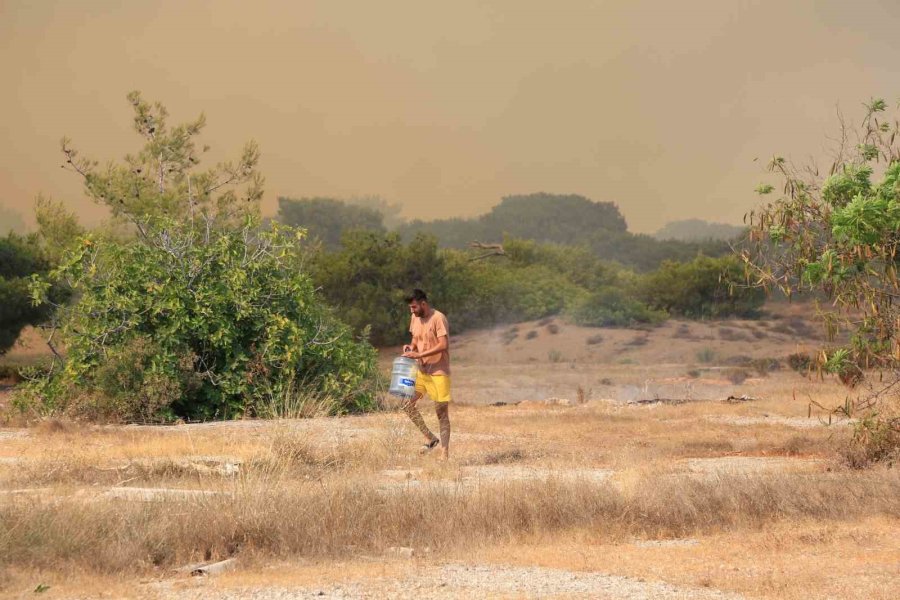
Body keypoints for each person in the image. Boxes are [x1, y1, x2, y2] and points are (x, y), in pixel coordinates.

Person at [401, 289, 451, 459]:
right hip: (422, 371)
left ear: (424, 303)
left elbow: (443, 345)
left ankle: (444, 453)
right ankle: (431, 438)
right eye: (410, 308)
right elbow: (415, 339)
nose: (412, 311)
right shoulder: (414, 318)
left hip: (438, 372)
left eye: (414, 307)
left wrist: (420, 354)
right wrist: (411, 348)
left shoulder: (438, 318)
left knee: (441, 413)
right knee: (406, 405)